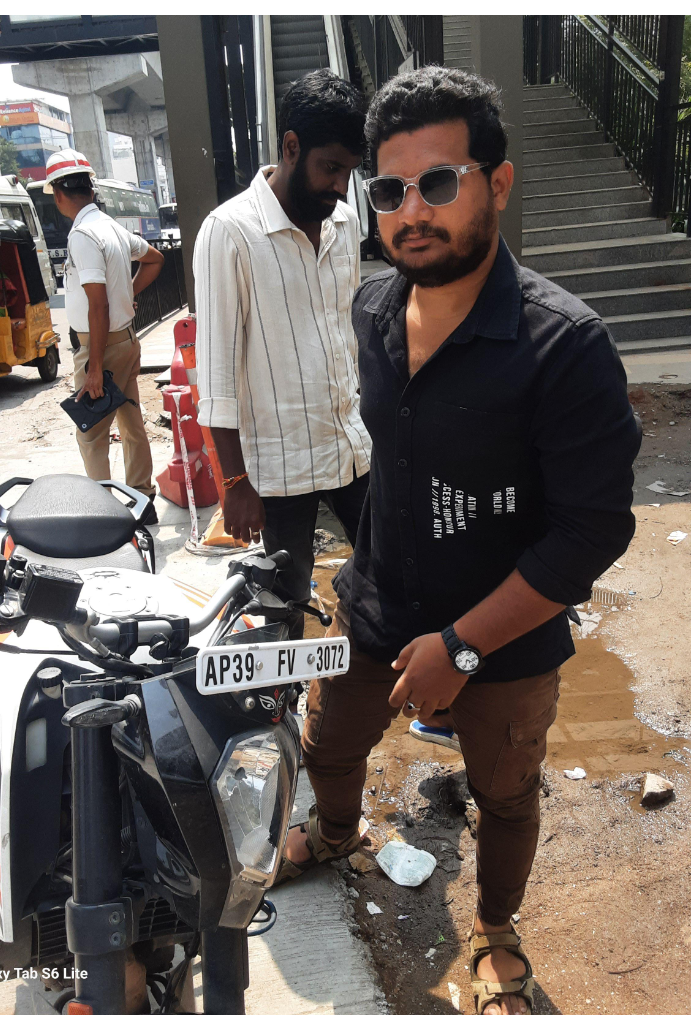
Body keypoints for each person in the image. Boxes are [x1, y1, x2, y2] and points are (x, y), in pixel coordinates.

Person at [279, 67, 641, 1015]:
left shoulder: (563, 345)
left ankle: (494, 929)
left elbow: (593, 528)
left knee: (506, 793)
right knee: (328, 746)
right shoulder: (369, 312)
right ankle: (334, 834)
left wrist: (464, 645)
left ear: (498, 183)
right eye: (388, 191)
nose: (411, 213)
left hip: (504, 641)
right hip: (373, 610)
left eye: (438, 183)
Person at [194, 69, 371, 635]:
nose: (340, 186)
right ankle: (285, 690)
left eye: (349, 171)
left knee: (389, 570)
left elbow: (345, 333)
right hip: (278, 466)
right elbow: (217, 372)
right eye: (330, 167)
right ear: (291, 147)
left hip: (350, 447)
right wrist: (233, 483)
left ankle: (371, 671)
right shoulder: (229, 232)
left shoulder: (344, 222)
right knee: (282, 602)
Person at [47, 149, 164, 521]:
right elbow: (155, 259)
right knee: (131, 423)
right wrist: (128, 292)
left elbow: (97, 306)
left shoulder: (83, 235)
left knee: (91, 435)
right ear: (89, 188)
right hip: (126, 340)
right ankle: (143, 499)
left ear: (58, 194)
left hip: (101, 347)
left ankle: (103, 516)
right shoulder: (110, 226)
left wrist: (94, 368)